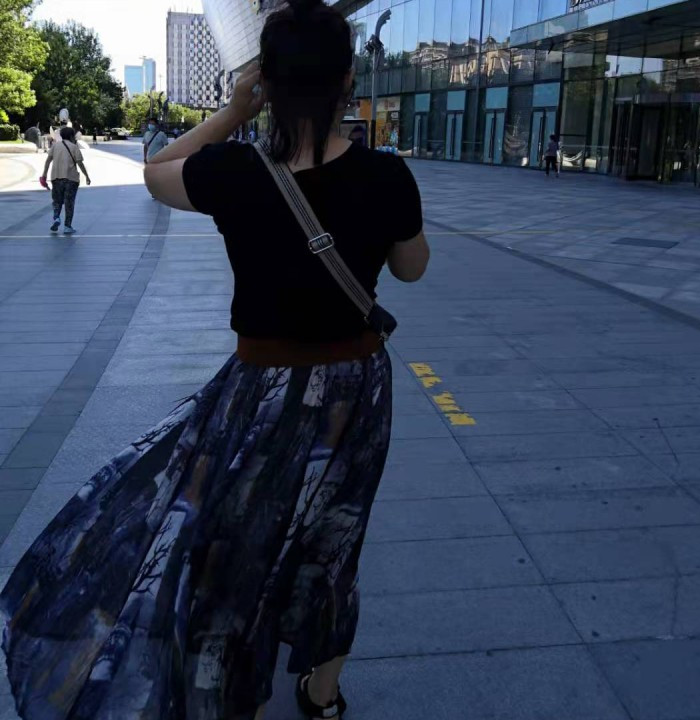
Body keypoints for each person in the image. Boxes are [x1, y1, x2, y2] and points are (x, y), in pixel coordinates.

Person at [0, 1, 429, 720]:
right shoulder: (387, 177)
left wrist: (234, 111)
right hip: (356, 393)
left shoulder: (235, 171)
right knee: (335, 536)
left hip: (261, 392)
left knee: (238, 546)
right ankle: (322, 695)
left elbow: (156, 170)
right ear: (347, 81)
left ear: (269, 82)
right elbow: (412, 269)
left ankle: (227, 693)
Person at [39, 125, 91, 235]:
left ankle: (56, 218)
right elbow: (80, 163)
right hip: (71, 179)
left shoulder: (55, 146)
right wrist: (86, 176)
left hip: (56, 178)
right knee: (69, 203)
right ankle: (67, 226)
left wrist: (44, 175)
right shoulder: (74, 147)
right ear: (71, 136)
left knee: (57, 201)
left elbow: (48, 161)